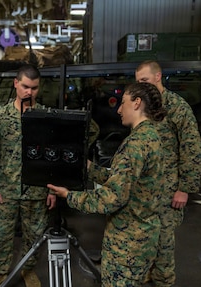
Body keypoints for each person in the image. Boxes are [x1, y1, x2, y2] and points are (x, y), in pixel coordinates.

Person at [48, 82, 168, 286]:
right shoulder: (152, 137)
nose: (119, 110)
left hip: (127, 245)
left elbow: (112, 198)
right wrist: (89, 168)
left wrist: (69, 196)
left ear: (137, 103)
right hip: (144, 238)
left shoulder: (135, 145)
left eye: (123, 103)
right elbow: (125, 182)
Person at [0, 64, 57, 287]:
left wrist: (52, 189)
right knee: (1, 234)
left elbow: (54, 157)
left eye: (34, 88)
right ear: (16, 83)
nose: (29, 92)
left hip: (37, 190)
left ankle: (28, 269)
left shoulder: (46, 117)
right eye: (25, 86)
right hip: (5, 190)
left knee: (34, 235)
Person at [135, 60, 201, 286]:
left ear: (158, 77)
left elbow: (191, 149)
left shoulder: (177, 107)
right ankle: (147, 272)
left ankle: (163, 279)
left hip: (168, 187)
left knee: (164, 238)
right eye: (138, 82)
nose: (141, 86)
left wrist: (184, 189)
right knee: (145, 235)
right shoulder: (143, 106)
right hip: (145, 186)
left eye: (144, 80)